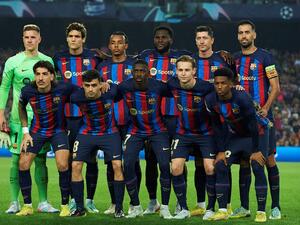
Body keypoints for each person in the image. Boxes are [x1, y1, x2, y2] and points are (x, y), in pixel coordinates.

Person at [0, 24, 58, 214]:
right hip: (18, 120)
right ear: (23, 39)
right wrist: (1, 114)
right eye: (26, 37)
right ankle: (14, 202)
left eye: (33, 37)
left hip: (43, 121)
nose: (30, 40)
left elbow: (54, 89)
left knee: (41, 159)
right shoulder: (12, 62)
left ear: (39, 39)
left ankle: (43, 202)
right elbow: (4, 88)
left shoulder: (47, 60)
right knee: (16, 160)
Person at [205, 67, 270, 222]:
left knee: (256, 164)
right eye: (216, 83)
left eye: (223, 83)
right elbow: (217, 126)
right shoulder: (211, 100)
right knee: (220, 164)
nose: (219, 86)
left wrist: (255, 151)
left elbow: (254, 125)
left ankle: (261, 211)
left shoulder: (242, 98)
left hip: (258, 134)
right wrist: (221, 150)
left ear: (231, 84)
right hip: (237, 136)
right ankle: (222, 210)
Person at [139, 24, 191, 215]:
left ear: (171, 40)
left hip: (176, 118)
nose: (160, 40)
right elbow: (127, 64)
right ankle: (153, 201)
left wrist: (222, 53)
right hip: (152, 119)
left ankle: (179, 201)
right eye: (157, 37)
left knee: (178, 161)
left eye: (164, 37)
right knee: (151, 161)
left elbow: (201, 62)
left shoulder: (181, 57)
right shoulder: (145, 57)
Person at [232, 19, 281, 220]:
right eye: (240, 33)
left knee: (267, 160)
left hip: (262, 120)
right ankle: (244, 207)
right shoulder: (233, 59)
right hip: (242, 121)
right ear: (238, 36)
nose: (244, 36)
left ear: (254, 35)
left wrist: (265, 109)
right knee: (245, 161)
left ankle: (275, 206)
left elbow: (276, 87)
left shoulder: (265, 57)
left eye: (247, 32)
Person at [53, 22, 102, 213]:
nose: (74, 39)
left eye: (77, 36)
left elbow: (102, 78)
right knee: (69, 161)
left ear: (83, 39)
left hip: (89, 117)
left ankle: (89, 199)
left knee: (91, 160)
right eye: (71, 36)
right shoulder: (58, 58)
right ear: (67, 38)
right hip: (66, 117)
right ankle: (73, 200)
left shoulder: (94, 57)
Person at [17, 61, 76, 216]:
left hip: (58, 131)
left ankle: (65, 206)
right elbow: (21, 106)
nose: (40, 78)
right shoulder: (27, 90)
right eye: (37, 74)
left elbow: (83, 93)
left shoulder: (64, 88)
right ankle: (27, 206)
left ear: (51, 76)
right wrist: (25, 131)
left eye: (44, 74)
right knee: (23, 164)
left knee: (63, 165)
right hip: (37, 131)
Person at [118, 59, 172, 219]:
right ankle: (135, 206)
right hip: (135, 131)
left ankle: (165, 207)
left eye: (142, 71)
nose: (139, 74)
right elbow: (109, 95)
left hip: (158, 131)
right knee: (127, 164)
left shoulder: (158, 86)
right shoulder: (124, 87)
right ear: (131, 72)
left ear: (148, 73)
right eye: (136, 71)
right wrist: (104, 85)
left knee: (163, 165)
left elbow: (176, 90)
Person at [191, 25, 234, 217]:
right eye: (198, 38)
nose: (201, 41)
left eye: (205, 38)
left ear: (212, 40)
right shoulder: (190, 61)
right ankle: (201, 204)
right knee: (200, 163)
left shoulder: (222, 60)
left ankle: (228, 204)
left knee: (222, 162)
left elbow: (233, 84)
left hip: (220, 121)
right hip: (197, 120)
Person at [97, 31, 142, 215]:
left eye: (119, 43)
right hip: (110, 123)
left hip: (132, 122)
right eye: (113, 43)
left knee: (132, 163)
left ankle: (134, 203)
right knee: (111, 163)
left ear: (126, 45)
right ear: (109, 46)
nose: (116, 46)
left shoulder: (134, 65)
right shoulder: (102, 67)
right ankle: (115, 203)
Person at [167, 55, 216, 220]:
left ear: (194, 71)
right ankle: (184, 209)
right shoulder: (172, 84)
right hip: (183, 133)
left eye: (187, 70)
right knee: (175, 168)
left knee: (210, 168)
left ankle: (210, 208)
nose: (183, 73)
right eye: (180, 70)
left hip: (205, 134)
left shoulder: (207, 88)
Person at [70, 70, 125, 218]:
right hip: (87, 133)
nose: (90, 89)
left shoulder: (110, 92)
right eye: (87, 85)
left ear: (100, 85)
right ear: (82, 85)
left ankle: (119, 208)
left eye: (94, 85)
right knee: (75, 166)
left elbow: (116, 89)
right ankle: (79, 208)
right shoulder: (76, 96)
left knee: (117, 166)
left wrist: (108, 83)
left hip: (109, 133)